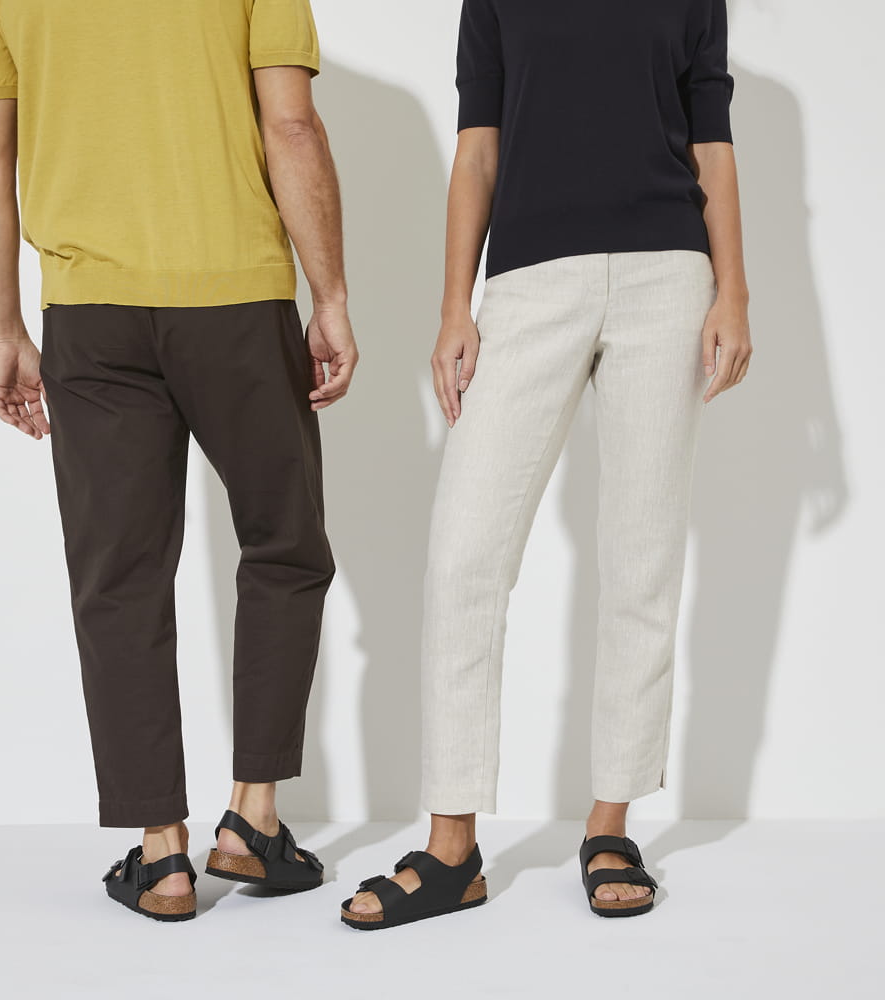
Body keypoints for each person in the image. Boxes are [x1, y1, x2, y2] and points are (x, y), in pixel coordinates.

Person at [342, 0, 751, 929]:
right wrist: (455, 306)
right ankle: (452, 848)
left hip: (667, 278)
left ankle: (610, 828)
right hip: (529, 281)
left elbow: (713, 146)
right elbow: (477, 150)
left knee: (642, 559)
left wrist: (734, 291)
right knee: (464, 558)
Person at [0, 0, 357, 922]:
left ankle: (162, 853)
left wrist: (3, 330)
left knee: (119, 578)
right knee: (285, 546)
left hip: (89, 315)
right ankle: (253, 820)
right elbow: (292, 125)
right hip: (238, 299)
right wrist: (331, 295)